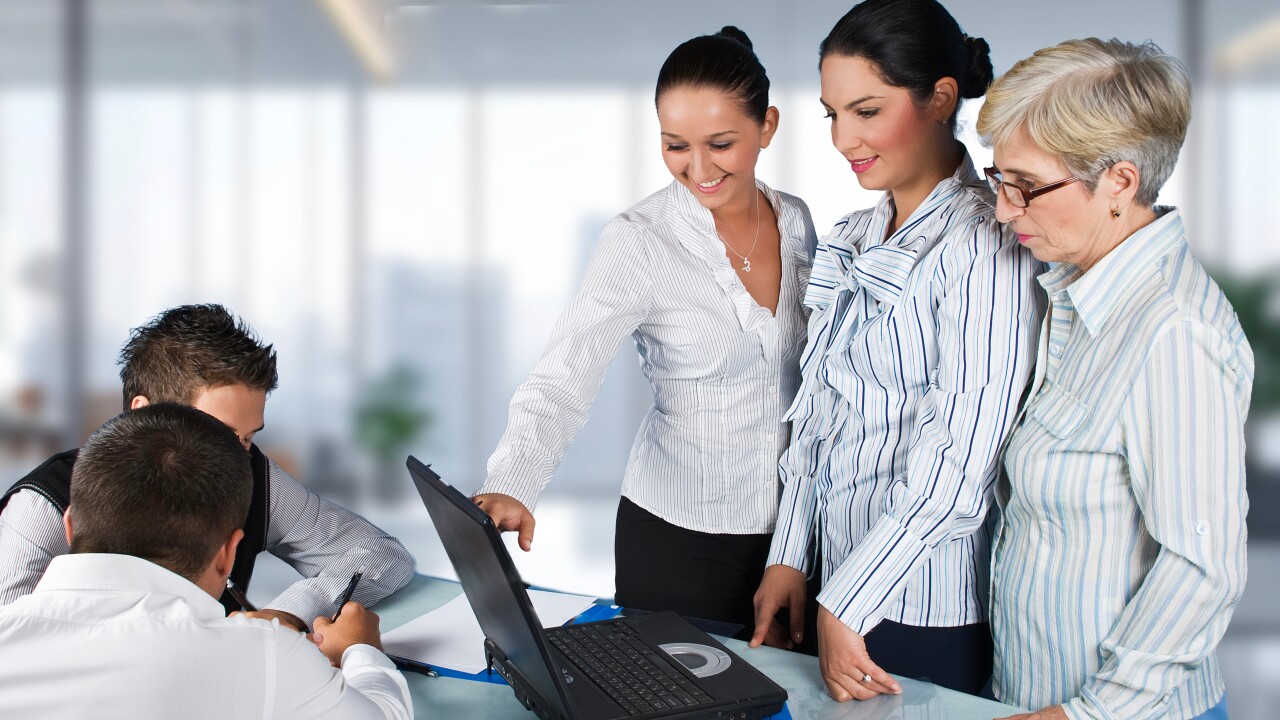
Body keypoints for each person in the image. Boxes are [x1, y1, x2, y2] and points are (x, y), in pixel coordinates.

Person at [473, 26, 818, 636]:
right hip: (676, 534)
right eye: (675, 145)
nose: (699, 168)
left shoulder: (796, 221)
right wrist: (512, 482)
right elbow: (567, 370)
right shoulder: (638, 240)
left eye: (721, 143)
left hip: (794, 535)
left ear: (767, 126)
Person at [750, 0, 1044, 700]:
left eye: (867, 111)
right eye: (832, 114)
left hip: (919, 606)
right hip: (832, 585)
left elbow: (962, 459)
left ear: (941, 99)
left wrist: (847, 601)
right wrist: (789, 558)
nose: (843, 137)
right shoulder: (853, 231)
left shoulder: (987, 245)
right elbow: (817, 412)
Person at [977, 38, 1251, 720]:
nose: (1006, 208)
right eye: (998, 178)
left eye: (1027, 186)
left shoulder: (1170, 333)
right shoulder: (1075, 292)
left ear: (1120, 183)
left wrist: (1090, 713)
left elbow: (1201, 566)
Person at [0, 304, 415, 631]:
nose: (237, 458)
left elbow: (381, 554)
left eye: (248, 437)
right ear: (143, 414)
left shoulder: (255, 476)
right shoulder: (44, 508)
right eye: (217, 432)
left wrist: (293, 610)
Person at [0, 403, 412, 718]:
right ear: (227, 554)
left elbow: (378, 552)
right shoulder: (266, 658)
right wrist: (361, 651)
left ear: (69, 526)